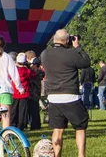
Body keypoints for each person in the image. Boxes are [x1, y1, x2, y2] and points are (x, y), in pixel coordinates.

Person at [41, 29, 91, 157]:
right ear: (68, 40)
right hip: (70, 96)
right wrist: (77, 47)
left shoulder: (45, 54)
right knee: (80, 128)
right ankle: (81, 155)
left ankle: (57, 155)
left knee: (57, 129)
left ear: (54, 39)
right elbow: (86, 62)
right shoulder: (72, 54)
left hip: (53, 97)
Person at [11, 53, 35, 131]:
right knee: (22, 111)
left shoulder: (14, 70)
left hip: (15, 93)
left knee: (13, 110)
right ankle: (20, 126)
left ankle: (12, 124)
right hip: (24, 93)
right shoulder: (27, 71)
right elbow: (34, 75)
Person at [26, 52, 44, 130]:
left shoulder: (35, 73)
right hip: (36, 93)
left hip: (33, 93)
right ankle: (37, 124)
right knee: (35, 109)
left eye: (32, 64)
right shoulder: (40, 72)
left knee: (33, 110)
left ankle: (34, 124)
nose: (31, 66)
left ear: (35, 65)